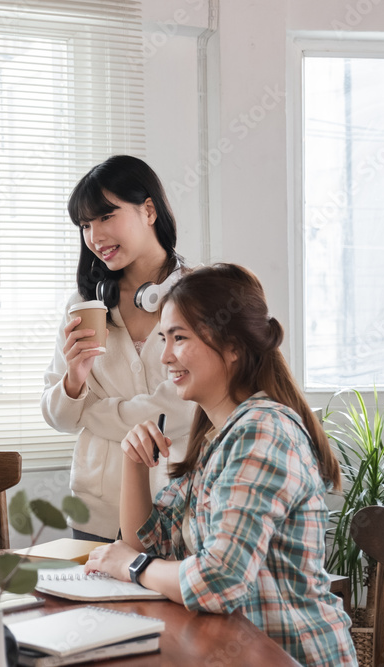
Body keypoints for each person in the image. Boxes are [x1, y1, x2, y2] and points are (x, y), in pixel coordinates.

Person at [84, 263, 357, 666]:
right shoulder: (219, 435)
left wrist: (131, 566)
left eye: (179, 337)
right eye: (163, 338)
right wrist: (134, 464)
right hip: (228, 649)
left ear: (232, 346)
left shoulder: (263, 433)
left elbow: (218, 581)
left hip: (290, 655)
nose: (165, 356)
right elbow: (148, 542)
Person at [41, 155, 195, 541]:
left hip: (180, 508)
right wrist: (74, 381)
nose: (94, 237)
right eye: (85, 225)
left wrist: (92, 412)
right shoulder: (85, 303)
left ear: (148, 210)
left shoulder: (201, 295)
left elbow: (182, 409)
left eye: (106, 217)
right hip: (98, 514)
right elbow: (59, 417)